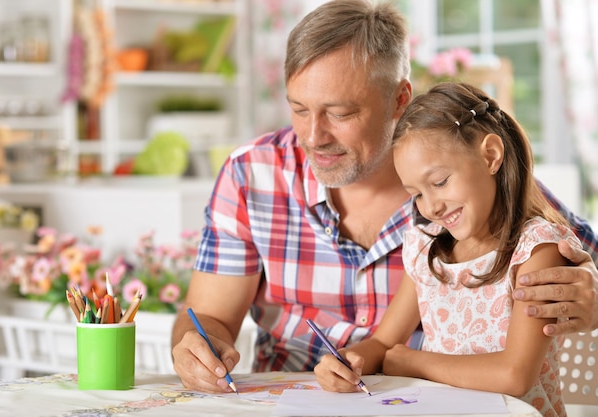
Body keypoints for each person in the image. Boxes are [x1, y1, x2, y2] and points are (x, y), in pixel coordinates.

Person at [171, 0, 598, 393]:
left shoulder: (471, 184)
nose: (314, 136)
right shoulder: (251, 175)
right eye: (299, 109)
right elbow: (207, 317)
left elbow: (568, 258)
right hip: (292, 399)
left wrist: (593, 304)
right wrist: (197, 346)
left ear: (399, 99)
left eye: (340, 113)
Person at [314, 82, 571, 416]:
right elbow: (383, 344)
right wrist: (348, 360)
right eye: (417, 194)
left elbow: (515, 375)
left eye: (439, 183)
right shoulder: (427, 251)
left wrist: (415, 362)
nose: (430, 207)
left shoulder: (536, 250)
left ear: (490, 155)